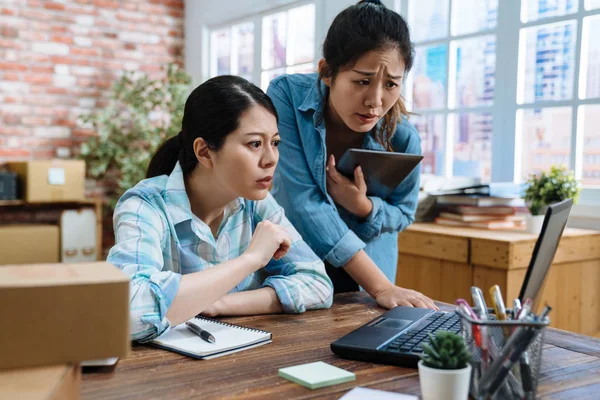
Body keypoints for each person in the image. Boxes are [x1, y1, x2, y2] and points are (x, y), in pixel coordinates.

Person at [107, 75, 333, 342]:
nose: (271, 159)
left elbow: (318, 284)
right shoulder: (144, 206)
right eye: (254, 144)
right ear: (204, 152)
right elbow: (127, 312)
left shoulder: (256, 202)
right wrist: (250, 260)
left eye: (275, 142)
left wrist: (218, 303)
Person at [267, 0, 437, 310]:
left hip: (365, 288)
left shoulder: (403, 138)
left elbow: (404, 213)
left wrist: (364, 207)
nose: (375, 100)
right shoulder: (286, 97)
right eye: (362, 81)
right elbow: (300, 202)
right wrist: (382, 286)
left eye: (391, 84)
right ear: (327, 72)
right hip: (299, 270)